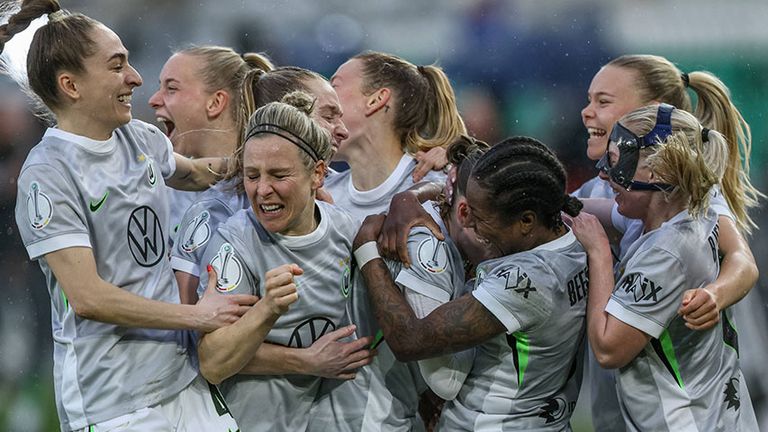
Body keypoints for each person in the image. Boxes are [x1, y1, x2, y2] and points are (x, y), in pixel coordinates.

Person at [2, 2, 263, 431]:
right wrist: (199, 316)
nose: (136, 78)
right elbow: (89, 299)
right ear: (71, 85)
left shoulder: (137, 137)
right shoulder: (47, 174)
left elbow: (199, 174)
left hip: (182, 382)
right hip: (115, 400)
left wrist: (276, 166)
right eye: (117, 66)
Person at [577, 54, 762, 431]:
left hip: (684, 398)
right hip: (631, 389)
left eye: (603, 101)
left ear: (651, 111)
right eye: (589, 99)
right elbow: (559, 208)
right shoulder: (608, 186)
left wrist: (716, 294)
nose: (586, 111)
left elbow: (742, 259)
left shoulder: (684, 197)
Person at [355, 136, 588, 431]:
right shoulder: (574, 237)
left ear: (526, 221)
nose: (470, 224)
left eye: (480, 217)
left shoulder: (525, 280)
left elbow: (410, 341)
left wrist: (367, 253)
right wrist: (409, 198)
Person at [194, 91, 360, 430]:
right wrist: (268, 308)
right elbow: (211, 362)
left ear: (317, 174)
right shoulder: (235, 242)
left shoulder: (346, 230)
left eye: (278, 175)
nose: (263, 190)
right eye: (252, 176)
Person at [171, 65, 349, 303]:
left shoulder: (341, 190)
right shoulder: (214, 214)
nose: (343, 131)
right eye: (328, 116)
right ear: (288, 112)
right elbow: (194, 322)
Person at [148, 45, 274, 240]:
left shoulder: (271, 189)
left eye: (171, 88)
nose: (154, 100)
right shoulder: (159, 188)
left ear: (215, 103)